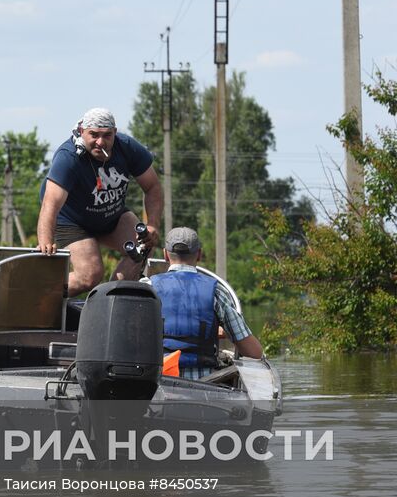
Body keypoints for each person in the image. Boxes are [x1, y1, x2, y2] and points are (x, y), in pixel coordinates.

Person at [37, 107, 163, 295]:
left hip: (111, 214)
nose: (100, 142)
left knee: (144, 246)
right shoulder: (68, 157)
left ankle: (113, 297)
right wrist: (45, 241)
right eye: (93, 135)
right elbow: (51, 203)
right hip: (73, 221)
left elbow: (153, 187)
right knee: (90, 275)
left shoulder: (127, 148)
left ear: (115, 134)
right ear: (82, 132)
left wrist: (152, 225)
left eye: (107, 136)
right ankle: (36, 295)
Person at [148, 226, 263, 379]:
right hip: (204, 384)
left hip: (157, 383)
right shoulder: (217, 291)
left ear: (165, 255)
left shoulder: (147, 288)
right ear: (199, 254)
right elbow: (253, 352)